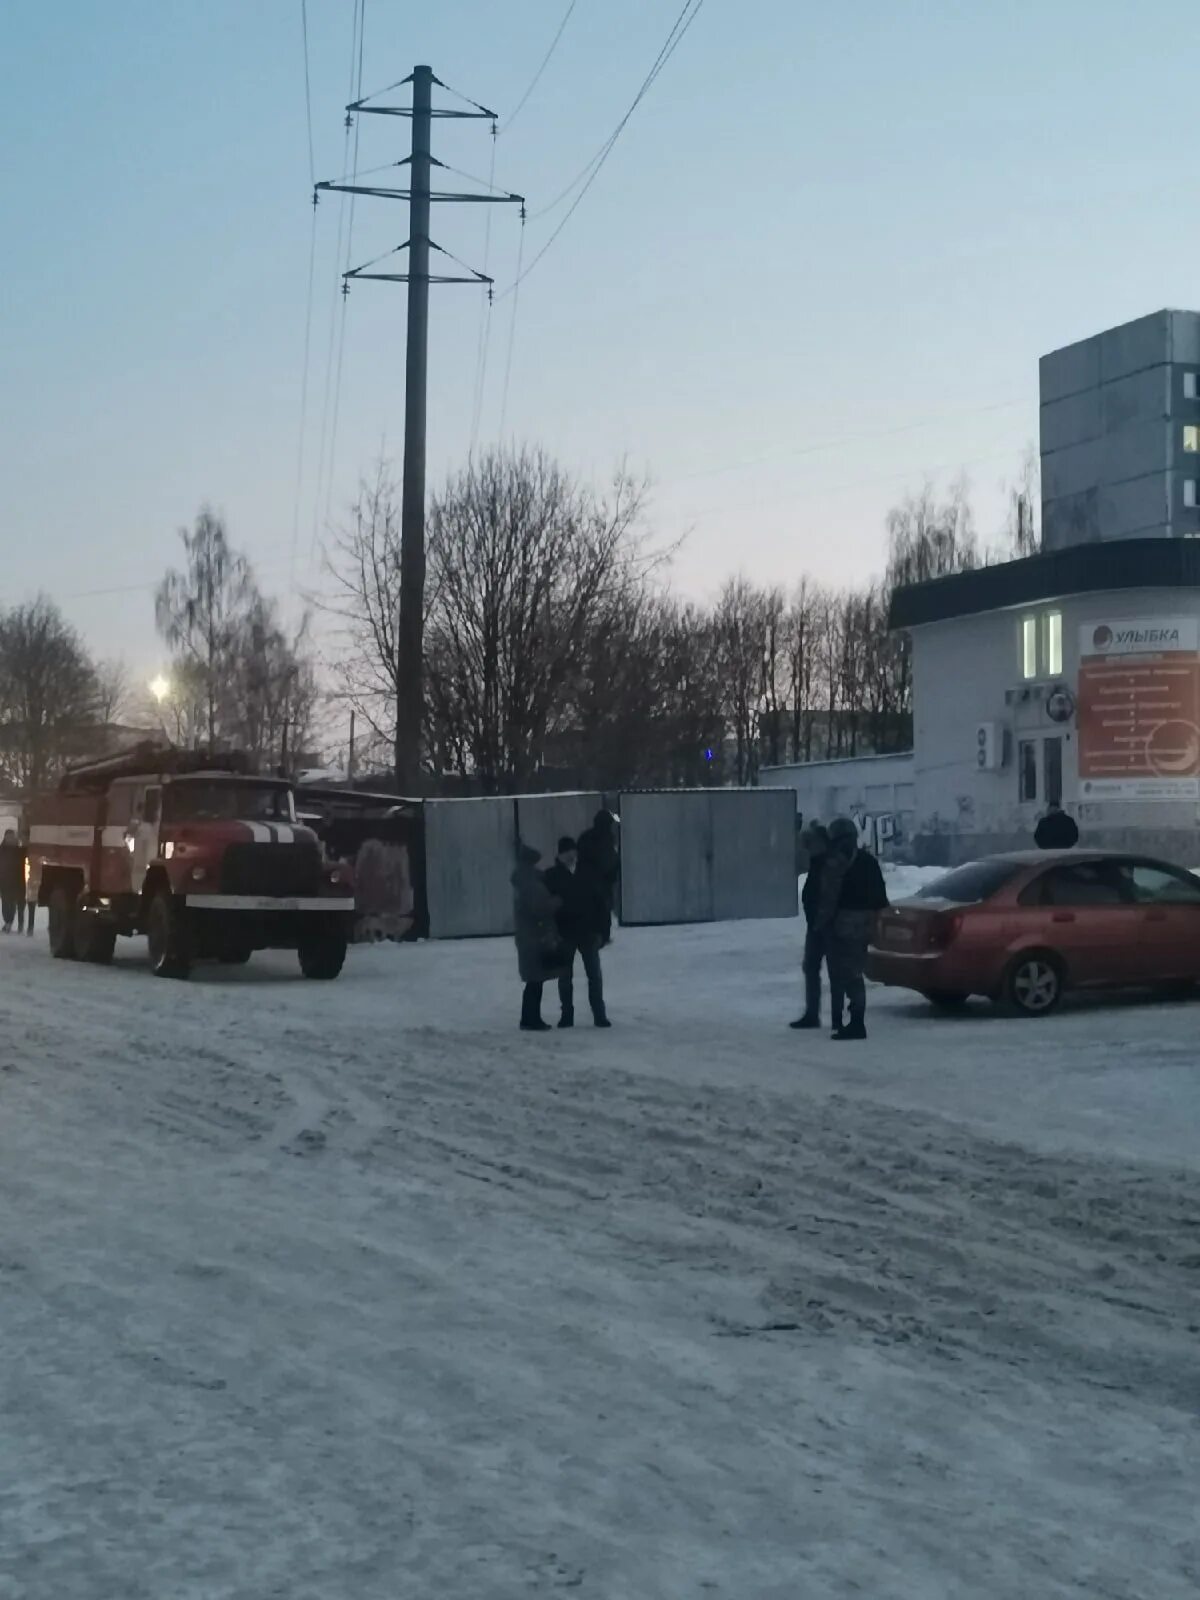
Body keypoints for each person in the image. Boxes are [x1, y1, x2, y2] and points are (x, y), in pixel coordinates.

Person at [816, 815, 888, 1042]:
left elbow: (828, 897)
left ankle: (855, 1022)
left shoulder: (836, 862)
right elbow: (881, 897)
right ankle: (853, 1019)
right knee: (854, 972)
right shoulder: (868, 860)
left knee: (846, 974)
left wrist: (821, 923)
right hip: (866, 923)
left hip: (843, 923)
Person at [543, 835, 610, 1029]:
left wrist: (603, 932)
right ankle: (567, 1015)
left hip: (588, 932)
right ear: (560, 855)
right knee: (565, 977)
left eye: (573, 852)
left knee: (594, 976)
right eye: (567, 853)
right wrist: (550, 933)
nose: (571, 856)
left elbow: (601, 905)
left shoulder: (588, 872)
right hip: (564, 933)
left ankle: (599, 1014)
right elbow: (547, 908)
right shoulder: (553, 876)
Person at [511, 842, 565, 1032]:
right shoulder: (532, 884)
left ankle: (530, 1017)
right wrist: (558, 901)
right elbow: (540, 909)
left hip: (527, 937)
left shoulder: (523, 881)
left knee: (533, 981)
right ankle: (531, 1019)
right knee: (535, 981)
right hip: (535, 938)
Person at [791, 821, 830, 1030]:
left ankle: (838, 1014)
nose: (807, 846)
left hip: (827, 924)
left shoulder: (828, 864)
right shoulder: (817, 863)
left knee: (837, 970)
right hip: (816, 924)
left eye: (810, 842)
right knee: (811, 967)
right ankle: (812, 1013)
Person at [576, 809, 620, 946]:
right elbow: (609, 859)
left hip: (587, 878)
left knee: (591, 908)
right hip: (602, 879)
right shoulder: (607, 837)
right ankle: (603, 936)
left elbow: (580, 856)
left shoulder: (585, 836)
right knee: (604, 908)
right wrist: (613, 871)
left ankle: (592, 934)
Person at [0, 829, 25, 934]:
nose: (10, 839)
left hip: (17, 881)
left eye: (12, 836)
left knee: (14, 903)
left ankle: (12, 923)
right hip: (5, 881)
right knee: (6, 903)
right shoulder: (2, 849)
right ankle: (8, 922)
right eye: (9, 836)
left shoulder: (19, 850)